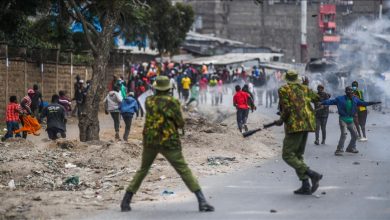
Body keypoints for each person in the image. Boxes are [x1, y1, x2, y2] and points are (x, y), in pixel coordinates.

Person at [120, 76, 214, 212]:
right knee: (183, 169)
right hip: (169, 141)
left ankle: (126, 201)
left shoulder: (149, 101)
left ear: (156, 88)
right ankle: (201, 200)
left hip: (150, 140)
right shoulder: (173, 102)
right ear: (169, 89)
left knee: (143, 170)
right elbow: (180, 122)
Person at [275, 70, 322, 195]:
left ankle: (312, 174)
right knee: (298, 155)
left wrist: (281, 120)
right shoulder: (305, 88)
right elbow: (317, 98)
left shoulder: (284, 90)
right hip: (307, 123)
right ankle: (305, 185)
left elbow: (287, 108)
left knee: (287, 155)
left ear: (287, 79)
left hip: (294, 125)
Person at [321, 86, 380, 156]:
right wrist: (322, 103)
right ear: (346, 92)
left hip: (350, 120)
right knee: (344, 134)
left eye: (352, 92)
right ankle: (339, 150)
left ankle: (350, 148)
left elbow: (364, 103)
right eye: (349, 92)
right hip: (343, 119)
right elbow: (330, 101)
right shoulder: (340, 99)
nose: (351, 93)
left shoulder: (355, 99)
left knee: (355, 135)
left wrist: (373, 103)